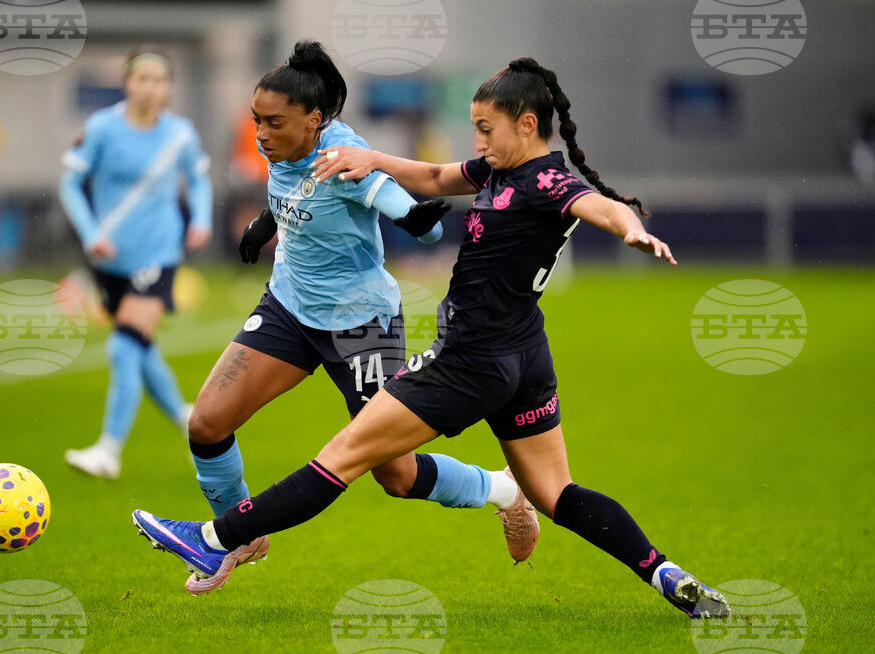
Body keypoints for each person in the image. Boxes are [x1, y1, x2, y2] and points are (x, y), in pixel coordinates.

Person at [133, 56, 733, 619]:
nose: (477, 141)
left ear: (527, 125)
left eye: (485, 129)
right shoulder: (499, 169)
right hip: (525, 353)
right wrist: (374, 159)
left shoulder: (545, 181)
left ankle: (215, 538)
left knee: (342, 457)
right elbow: (436, 176)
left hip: (466, 360)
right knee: (557, 492)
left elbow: (595, 204)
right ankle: (665, 574)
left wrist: (630, 229)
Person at [140, 40, 541, 590]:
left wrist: (417, 221)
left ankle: (503, 489)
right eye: (256, 120)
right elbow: (296, 191)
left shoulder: (344, 154)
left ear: (314, 119)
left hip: (361, 324)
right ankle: (238, 537)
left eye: (274, 123)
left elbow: (395, 203)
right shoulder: (281, 149)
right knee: (207, 424)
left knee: (395, 474)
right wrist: (264, 224)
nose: (261, 134)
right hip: (289, 307)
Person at [59, 46, 212, 479]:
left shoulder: (180, 133)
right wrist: (91, 233)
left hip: (158, 254)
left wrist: (200, 220)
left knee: (123, 345)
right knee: (141, 350)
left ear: (169, 87)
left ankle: (108, 451)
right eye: (142, 79)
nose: (150, 88)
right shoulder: (101, 128)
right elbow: (70, 184)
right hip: (109, 258)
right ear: (127, 82)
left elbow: (198, 180)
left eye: (159, 80)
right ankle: (187, 420)